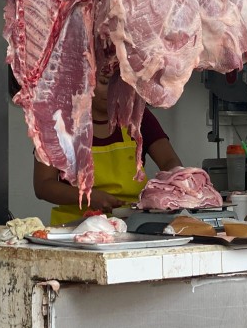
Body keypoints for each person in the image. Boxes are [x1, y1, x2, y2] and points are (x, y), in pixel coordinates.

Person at [34, 69, 182, 224]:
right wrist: (88, 197)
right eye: (104, 82)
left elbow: (169, 161)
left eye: (120, 83)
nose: (113, 90)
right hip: (75, 228)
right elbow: (43, 185)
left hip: (132, 224)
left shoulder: (137, 116)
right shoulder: (60, 123)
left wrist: (173, 184)